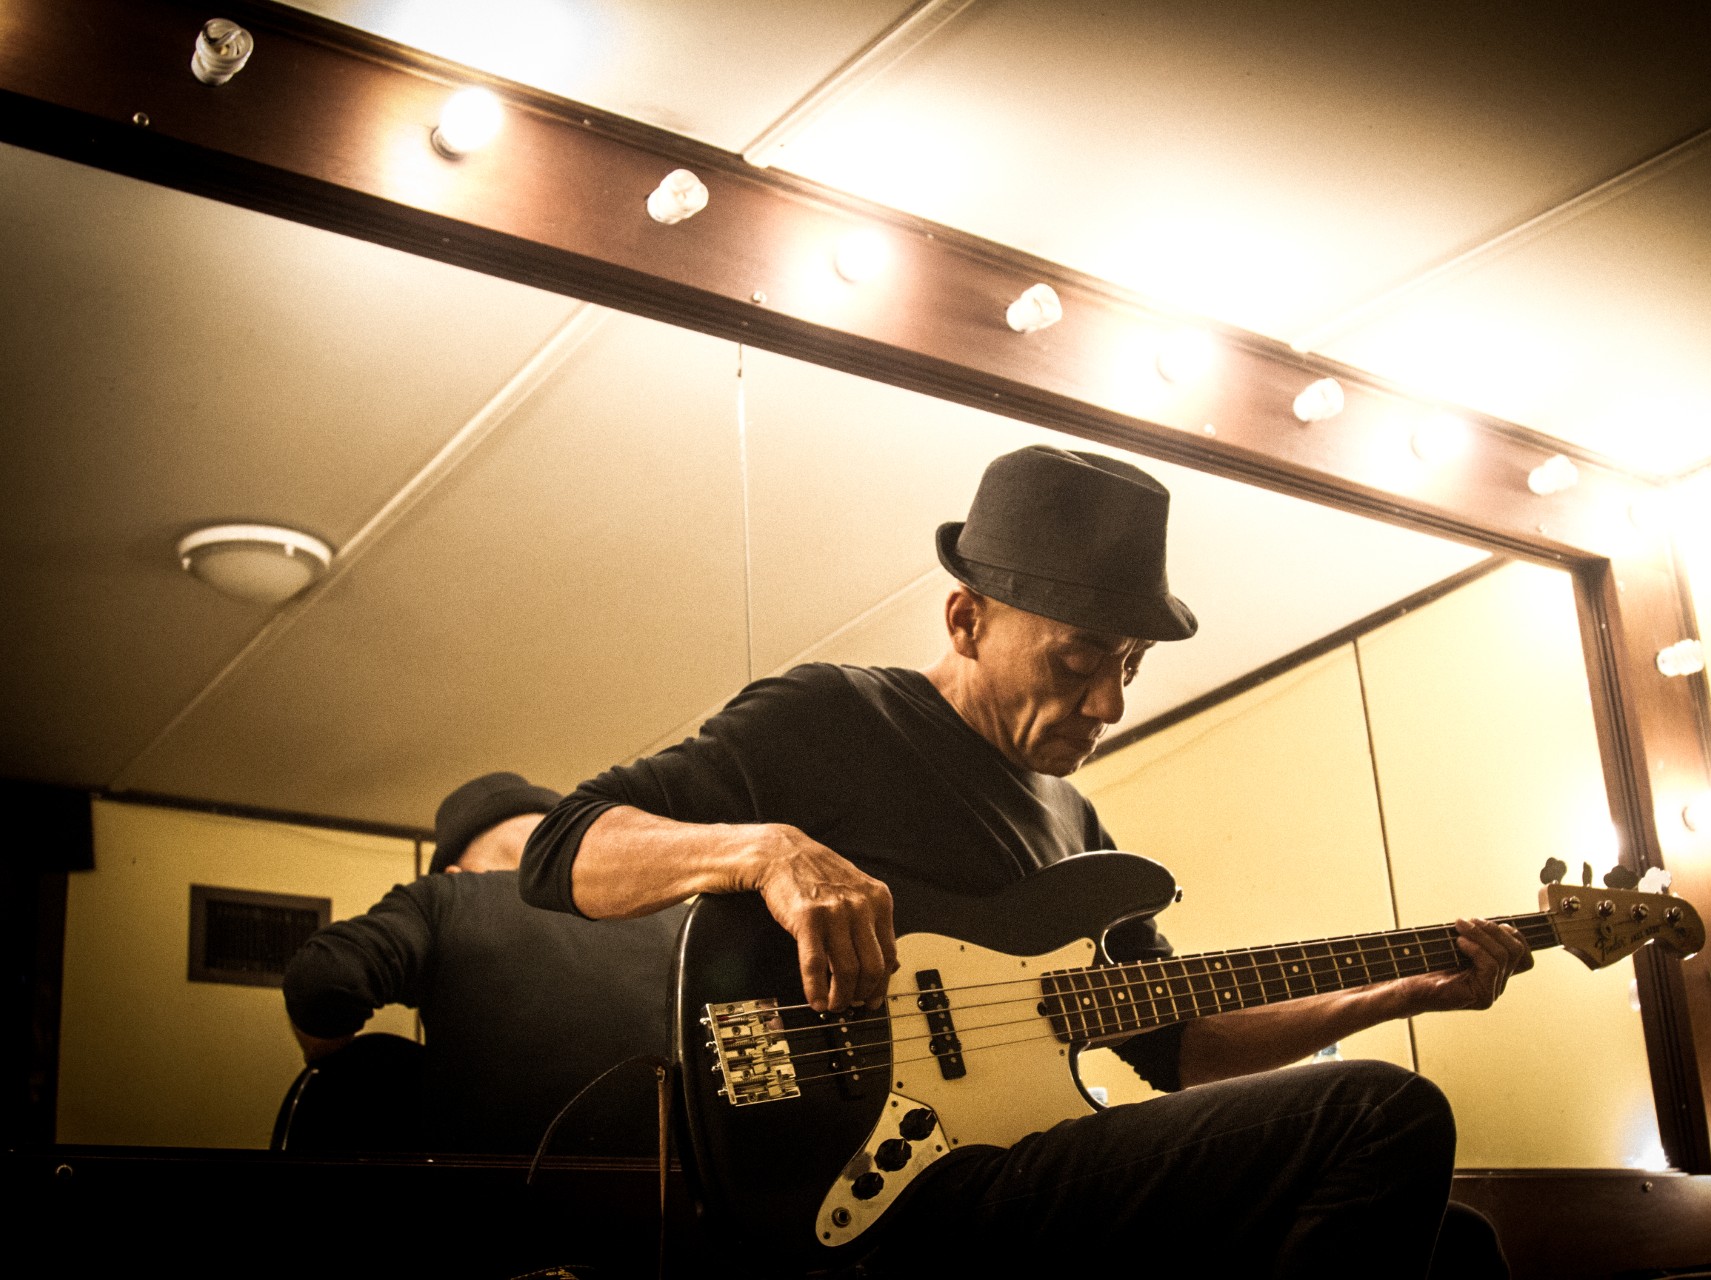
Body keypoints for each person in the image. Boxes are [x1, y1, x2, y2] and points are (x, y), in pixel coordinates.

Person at [520, 446, 1532, 1274]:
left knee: (1455, 1248)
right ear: (967, 619)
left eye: (1130, 665)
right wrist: (767, 850)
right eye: (1080, 657)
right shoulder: (833, 714)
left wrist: (1397, 991)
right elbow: (560, 847)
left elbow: (1179, 1047)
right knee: (1385, 1112)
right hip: (896, 1187)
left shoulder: (1078, 828)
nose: (1111, 703)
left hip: (1029, 1172)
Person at [283, 771, 684, 1155]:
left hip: (494, 1194)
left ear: (456, 871)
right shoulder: (678, 916)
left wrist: (326, 1052)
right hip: (681, 1196)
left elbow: (323, 981)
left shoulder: (446, 897)